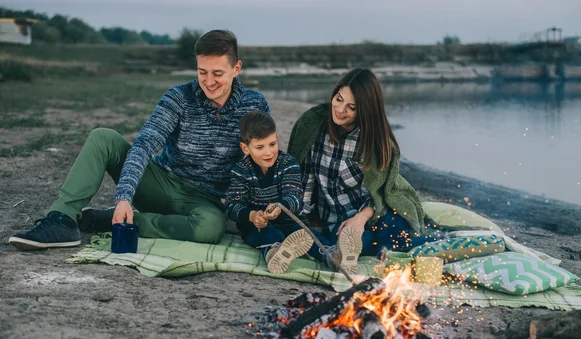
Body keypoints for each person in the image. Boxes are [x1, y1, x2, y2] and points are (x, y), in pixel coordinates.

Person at [9, 30, 270, 250]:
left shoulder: (255, 105)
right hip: (159, 182)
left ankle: (120, 221)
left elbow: (260, 162)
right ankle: (62, 220)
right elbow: (144, 144)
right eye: (203, 72)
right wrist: (124, 197)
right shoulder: (180, 97)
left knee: (211, 229)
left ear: (236, 68)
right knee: (104, 138)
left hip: (204, 200)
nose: (209, 81)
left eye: (217, 73)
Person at [287, 68, 429, 273]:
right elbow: (303, 178)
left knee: (397, 232)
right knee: (304, 235)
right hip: (334, 223)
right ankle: (335, 253)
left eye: (351, 107)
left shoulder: (376, 141)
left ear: (364, 110)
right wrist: (301, 217)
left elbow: (380, 192)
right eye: (338, 99)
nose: (340, 109)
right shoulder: (313, 124)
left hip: (370, 217)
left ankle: (436, 246)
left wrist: (360, 219)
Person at [224, 111, 314, 274]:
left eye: (272, 144)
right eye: (260, 147)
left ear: (277, 138)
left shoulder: (288, 163)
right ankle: (275, 253)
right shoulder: (240, 171)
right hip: (258, 224)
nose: (268, 152)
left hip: (288, 220)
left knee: (306, 235)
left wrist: (280, 206)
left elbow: (294, 196)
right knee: (265, 232)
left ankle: (331, 255)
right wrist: (252, 216)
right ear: (245, 148)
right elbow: (232, 205)